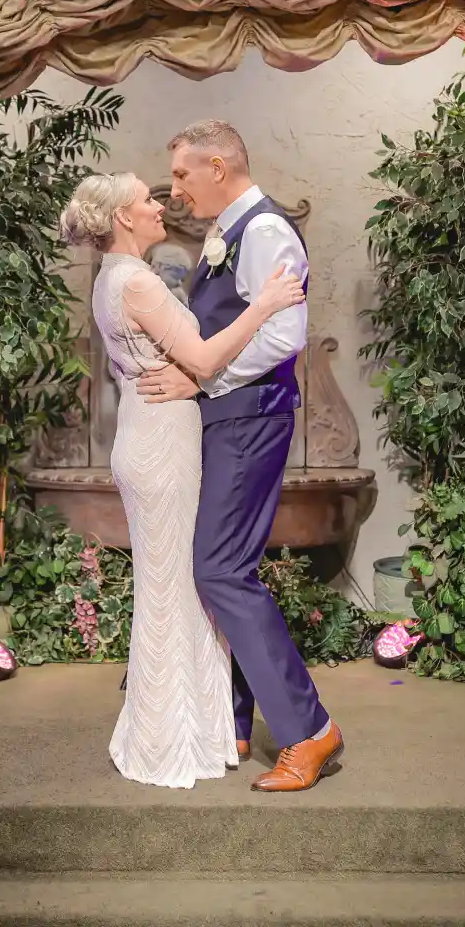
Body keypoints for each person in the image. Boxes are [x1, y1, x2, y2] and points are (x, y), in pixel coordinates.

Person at [60, 172, 305, 789]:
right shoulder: (136, 280)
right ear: (122, 218)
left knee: (172, 589)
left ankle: (193, 722)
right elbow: (199, 358)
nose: (159, 203)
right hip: (163, 446)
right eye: (146, 199)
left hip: (150, 437)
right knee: (177, 592)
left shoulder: (112, 279)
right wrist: (265, 306)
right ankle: (170, 734)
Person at [136, 119, 344, 793]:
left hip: (250, 416)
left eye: (182, 176)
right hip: (226, 417)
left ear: (219, 166)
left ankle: (310, 732)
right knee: (221, 569)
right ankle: (234, 718)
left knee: (220, 570)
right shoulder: (230, 230)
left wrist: (201, 379)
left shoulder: (266, 232)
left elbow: (283, 336)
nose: (175, 191)